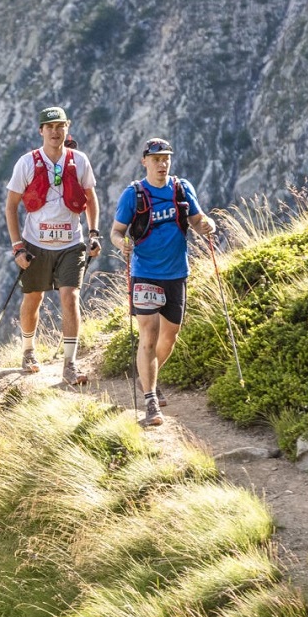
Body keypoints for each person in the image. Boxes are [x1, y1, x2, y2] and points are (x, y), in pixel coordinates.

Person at [111, 137, 215, 427]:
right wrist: (122, 244)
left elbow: (197, 219)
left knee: (170, 336)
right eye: (156, 159)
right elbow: (116, 231)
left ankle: (149, 374)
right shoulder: (133, 194)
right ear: (145, 161)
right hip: (144, 273)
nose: (162, 163)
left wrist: (208, 224)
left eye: (166, 158)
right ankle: (150, 402)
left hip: (177, 273)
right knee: (149, 333)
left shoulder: (181, 188)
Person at [4, 106, 101, 383]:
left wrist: (94, 233)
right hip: (36, 243)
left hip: (71, 243)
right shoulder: (26, 163)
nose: (56, 132)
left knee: (70, 297)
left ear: (67, 128)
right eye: (50, 127)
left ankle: (69, 365)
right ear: (41, 131)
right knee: (34, 297)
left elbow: (91, 199)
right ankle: (28, 351)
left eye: (60, 126)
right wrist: (18, 247)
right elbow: (11, 207)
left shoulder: (80, 161)